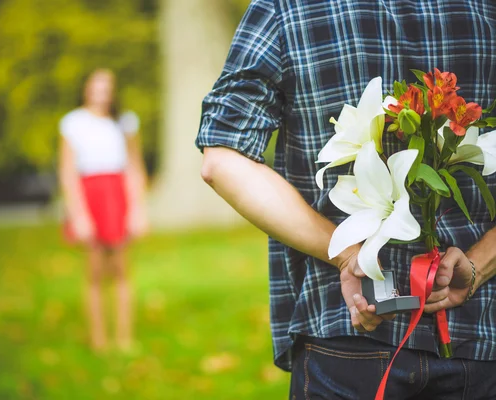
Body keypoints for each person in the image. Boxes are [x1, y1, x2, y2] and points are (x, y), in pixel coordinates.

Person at [196, 1, 496, 398]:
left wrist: (347, 255)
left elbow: (221, 159)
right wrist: (475, 265)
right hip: (480, 338)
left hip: (346, 333)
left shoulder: (287, 8)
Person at [59, 69, 148, 353]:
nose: (101, 92)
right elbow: (67, 171)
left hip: (117, 195)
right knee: (95, 271)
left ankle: (124, 338)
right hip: (90, 196)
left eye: (106, 86)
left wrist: (137, 209)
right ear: (86, 88)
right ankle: (99, 340)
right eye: (95, 86)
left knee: (121, 269)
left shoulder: (125, 123)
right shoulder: (72, 123)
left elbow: (134, 168)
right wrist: (79, 214)